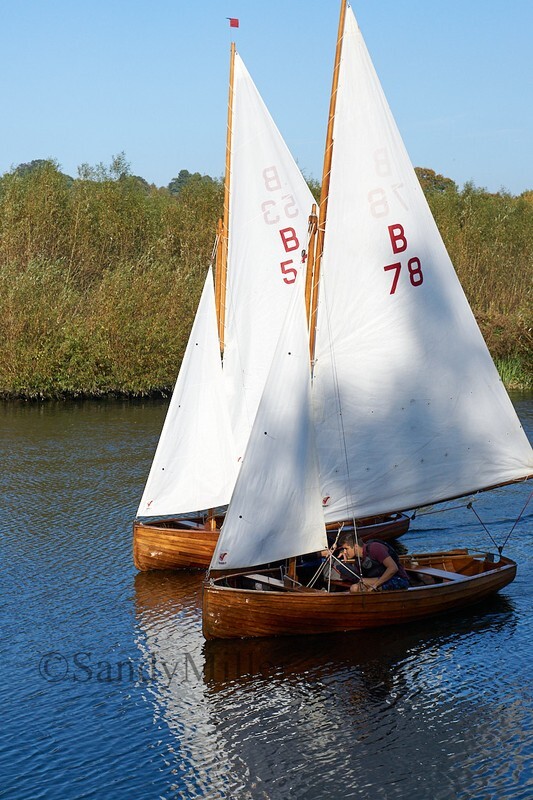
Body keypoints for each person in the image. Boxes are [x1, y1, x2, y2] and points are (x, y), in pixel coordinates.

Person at [333, 534, 410, 592]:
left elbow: (393, 568)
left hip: (398, 579)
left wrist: (375, 586)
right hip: (380, 579)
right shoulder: (358, 559)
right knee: (356, 587)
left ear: (356, 546)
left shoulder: (375, 548)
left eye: (346, 549)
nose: (344, 552)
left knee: (356, 587)